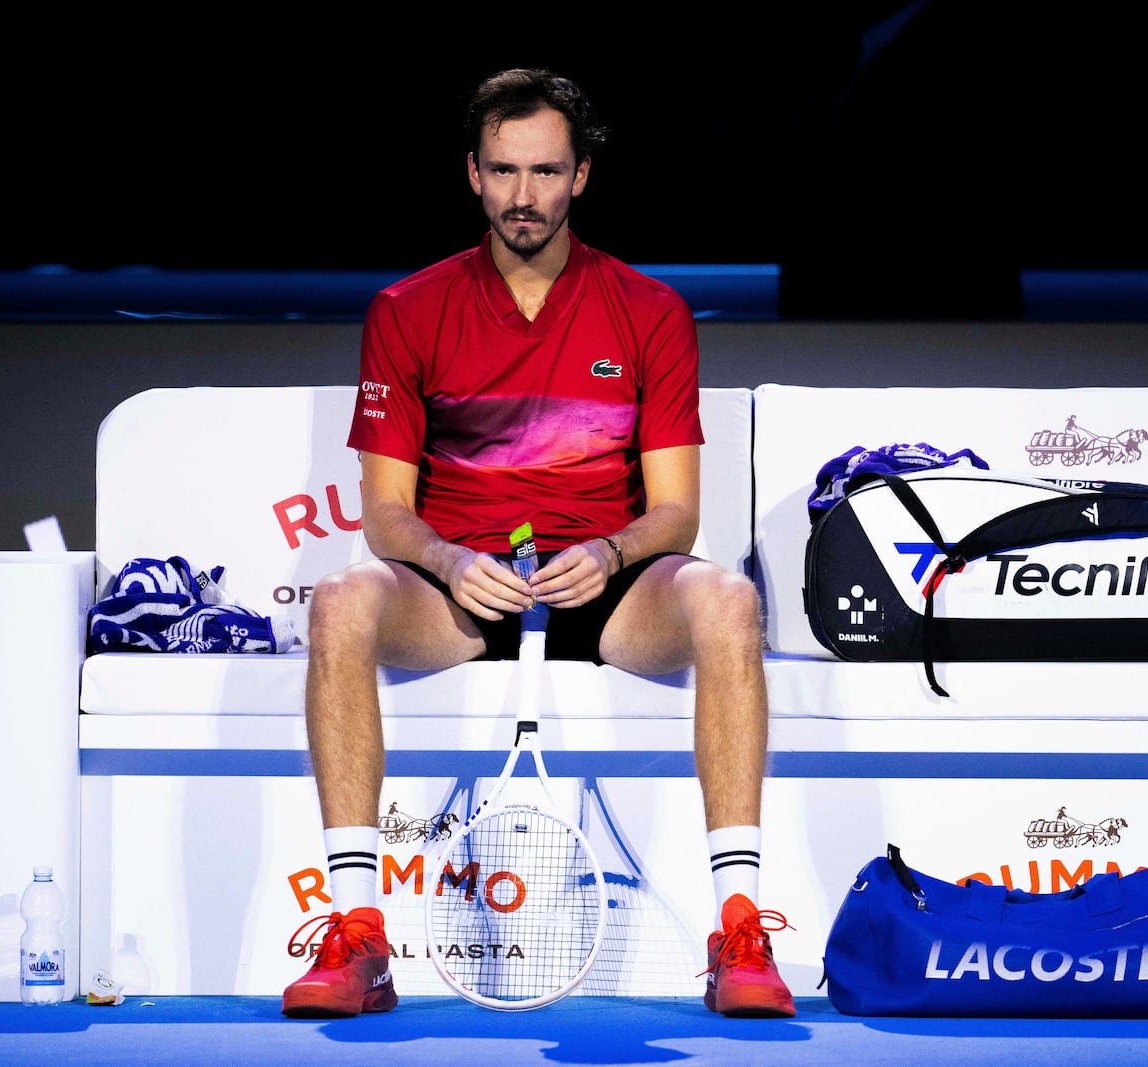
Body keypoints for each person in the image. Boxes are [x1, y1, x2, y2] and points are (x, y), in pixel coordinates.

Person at [279, 68, 793, 1020]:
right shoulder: (406, 311)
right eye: (505, 171)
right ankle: (359, 935)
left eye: (546, 172)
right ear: (472, 174)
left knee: (727, 598)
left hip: (607, 584)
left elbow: (675, 512)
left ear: (581, 177)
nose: (525, 196)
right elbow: (386, 514)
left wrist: (607, 551)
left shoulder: (650, 312)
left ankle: (741, 929)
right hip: (462, 586)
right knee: (342, 599)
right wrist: (447, 560)